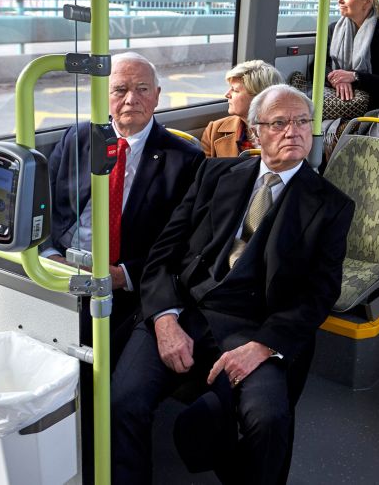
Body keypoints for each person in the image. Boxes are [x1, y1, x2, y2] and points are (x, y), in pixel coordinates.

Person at [111, 84, 355, 484]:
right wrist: (165, 320)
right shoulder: (214, 173)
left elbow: (320, 293)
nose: (294, 131)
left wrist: (263, 346)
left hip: (259, 326)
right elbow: (162, 254)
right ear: (256, 133)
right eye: (279, 123)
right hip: (185, 308)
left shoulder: (330, 204)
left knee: (269, 419)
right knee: (122, 402)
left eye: (302, 122)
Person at [43, 52, 204, 359]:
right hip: (64, 270)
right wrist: (51, 257)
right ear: (105, 97)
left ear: (156, 96)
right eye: (119, 90)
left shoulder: (185, 159)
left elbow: (183, 245)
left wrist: (123, 275)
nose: (131, 99)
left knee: (98, 367)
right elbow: (47, 207)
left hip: (127, 286)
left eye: (142, 89)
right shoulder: (77, 138)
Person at [200, 60, 283, 157]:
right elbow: (204, 170)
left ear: (259, 97)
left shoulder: (289, 133)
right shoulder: (214, 130)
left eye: (235, 90)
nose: (227, 95)